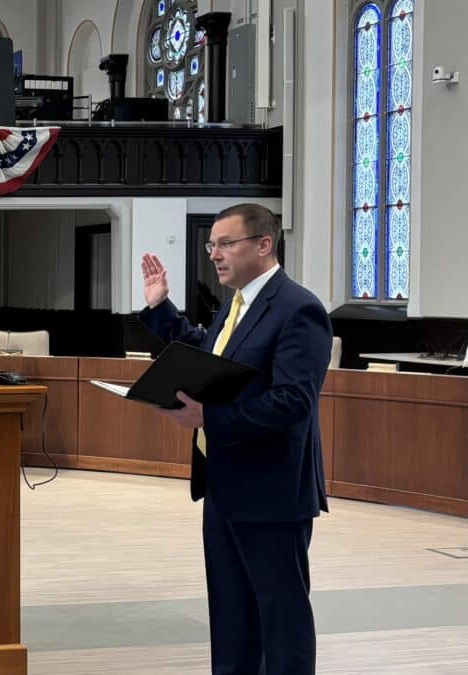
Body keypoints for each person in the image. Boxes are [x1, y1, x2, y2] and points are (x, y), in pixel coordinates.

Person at [138, 203, 332, 675]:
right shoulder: (237, 304)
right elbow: (207, 356)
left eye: (226, 244)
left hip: (271, 492)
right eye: (212, 245)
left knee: (281, 620)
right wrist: (160, 308)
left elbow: (293, 401)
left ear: (264, 245)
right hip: (224, 484)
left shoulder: (299, 309)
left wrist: (209, 417)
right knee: (231, 617)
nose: (215, 255)